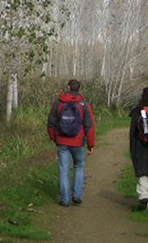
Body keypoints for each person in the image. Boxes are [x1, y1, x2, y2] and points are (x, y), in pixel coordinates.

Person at [47, 79, 96, 207]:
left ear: (68, 87)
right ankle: (77, 196)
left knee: (63, 169)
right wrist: (91, 145)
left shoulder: (58, 103)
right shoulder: (84, 105)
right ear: (79, 88)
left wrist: (53, 138)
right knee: (79, 166)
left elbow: (51, 123)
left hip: (62, 142)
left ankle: (64, 199)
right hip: (78, 142)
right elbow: (89, 126)